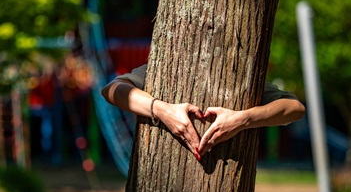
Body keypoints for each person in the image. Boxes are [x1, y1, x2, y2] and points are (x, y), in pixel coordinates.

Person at [101, 64, 305, 161]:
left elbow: (295, 108)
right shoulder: (164, 66)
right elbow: (111, 89)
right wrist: (163, 110)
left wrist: (243, 119)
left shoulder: (241, 73)